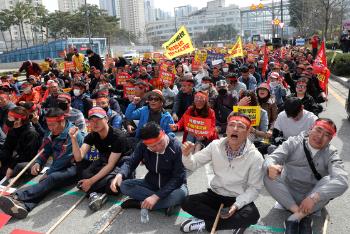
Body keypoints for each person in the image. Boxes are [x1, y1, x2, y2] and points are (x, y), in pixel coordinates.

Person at [180, 112, 263, 233]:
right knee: (186, 202)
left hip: (237, 198)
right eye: (231, 125)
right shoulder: (215, 145)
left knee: (252, 215)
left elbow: (254, 189)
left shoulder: (255, 156)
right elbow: (193, 164)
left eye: (240, 126)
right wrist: (186, 155)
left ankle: (205, 223)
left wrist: (236, 206)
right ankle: (231, 224)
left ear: (248, 131)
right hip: (215, 194)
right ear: (227, 128)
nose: (235, 129)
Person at [263, 118, 348, 234]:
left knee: (330, 179)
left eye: (327, 135)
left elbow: (342, 181)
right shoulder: (293, 142)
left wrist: (315, 197)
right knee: (269, 175)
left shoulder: (331, 153)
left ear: (330, 140)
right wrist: (270, 166)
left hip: (313, 197)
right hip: (288, 195)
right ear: (310, 129)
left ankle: (293, 219)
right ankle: (299, 213)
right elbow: (272, 158)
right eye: (318, 130)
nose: (320, 136)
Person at [0, 108, 84, 219]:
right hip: (59, 165)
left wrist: (49, 172)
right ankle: (25, 206)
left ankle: (17, 196)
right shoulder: (51, 131)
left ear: (62, 121)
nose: (50, 128)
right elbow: (45, 149)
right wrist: (38, 162)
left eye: (53, 125)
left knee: (51, 178)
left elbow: (64, 159)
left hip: (74, 167)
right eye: (48, 125)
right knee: (47, 183)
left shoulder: (73, 135)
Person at [111, 122, 188, 215]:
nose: (158, 147)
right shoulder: (142, 146)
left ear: (163, 133)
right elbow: (131, 162)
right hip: (151, 183)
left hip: (174, 187)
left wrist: (156, 197)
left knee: (180, 195)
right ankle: (165, 203)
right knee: (124, 185)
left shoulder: (177, 147)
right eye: (153, 146)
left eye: (160, 142)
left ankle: (140, 204)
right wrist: (120, 174)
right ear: (145, 143)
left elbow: (178, 178)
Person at [70, 107, 129, 211]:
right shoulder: (92, 135)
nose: (94, 124)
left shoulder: (118, 136)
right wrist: (73, 139)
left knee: (114, 186)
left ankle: (91, 191)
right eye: (91, 121)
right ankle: (94, 193)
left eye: (98, 120)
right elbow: (79, 157)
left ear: (106, 119)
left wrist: (90, 181)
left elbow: (111, 164)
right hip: (104, 161)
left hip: (120, 163)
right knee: (80, 167)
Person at [0, 107, 41, 179]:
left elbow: (27, 156)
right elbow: (7, 148)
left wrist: (11, 167)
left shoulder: (31, 134)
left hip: (22, 164)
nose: (8, 119)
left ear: (19, 119)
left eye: (10, 118)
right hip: (11, 160)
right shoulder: (12, 130)